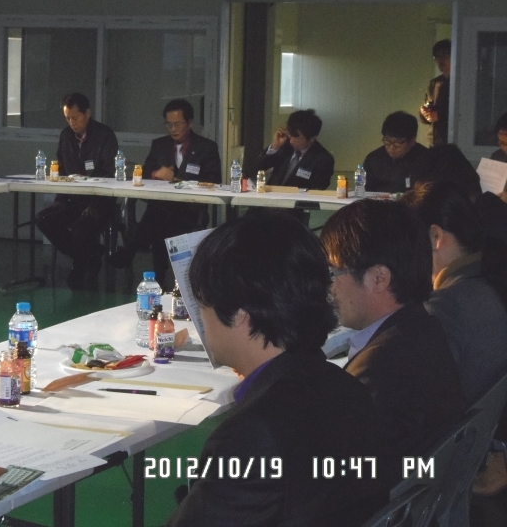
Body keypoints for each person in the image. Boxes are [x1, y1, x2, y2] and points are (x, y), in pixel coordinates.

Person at [168, 210, 387, 527]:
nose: (201, 320)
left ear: (240, 315)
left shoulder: (252, 433)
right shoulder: (350, 390)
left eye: (203, 306)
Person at [320, 200, 466, 462]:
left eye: (333, 272)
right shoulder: (423, 328)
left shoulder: (377, 371)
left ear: (378, 278)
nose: (329, 287)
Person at [401, 181, 507, 404]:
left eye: (408, 243)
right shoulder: (490, 279)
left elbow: (420, 399)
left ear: (435, 237)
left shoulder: (444, 306)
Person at [109, 99, 220, 286]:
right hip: (163, 207)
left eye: (178, 124)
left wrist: (183, 182)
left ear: (189, 122)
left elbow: (214, 180)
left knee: (157, 218)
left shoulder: (206, 147)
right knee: (160, 217)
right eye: (169, 124)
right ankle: (155, 273)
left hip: (191, 210)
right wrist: (156, 174)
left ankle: (133, 250)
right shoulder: (159, 145)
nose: (173, 129)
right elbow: (143, 173)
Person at [35, 93, 118, 287]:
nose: (71, 123)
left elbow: (108, 173)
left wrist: (94, 203)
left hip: (100, 200)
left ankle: (80, 264)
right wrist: (60, 200)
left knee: (82, 227)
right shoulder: (66, 136)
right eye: (67, 118)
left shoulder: (104, 135)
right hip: (73, 199)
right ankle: (88, 255)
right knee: (44, 219)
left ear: (87, 114)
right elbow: (62, 171)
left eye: (75, 117)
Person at [255, 109, 335, 190]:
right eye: (290, 135)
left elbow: (317, 190)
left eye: (297, 137)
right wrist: (274, 148)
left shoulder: (323, 159)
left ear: (312, 138)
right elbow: (255, 169)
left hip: (298, 197)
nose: (291, 141)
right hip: (271, 195)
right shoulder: (284, 145)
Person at [362, 111, 428, 193]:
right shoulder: (374, 159)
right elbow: (366, 190)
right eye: (387, 142)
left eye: (397, 143)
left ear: (412, 141)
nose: (391, 147)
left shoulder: (426, 159)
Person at [419, 39, 451, 146]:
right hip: (436, 140)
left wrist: (439, 116)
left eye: (445, 56)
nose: (440, 61)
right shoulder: (434, 83)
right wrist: (424, 113)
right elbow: (429, 111)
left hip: (453, 139)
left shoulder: (461, 84)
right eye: (437, 57)